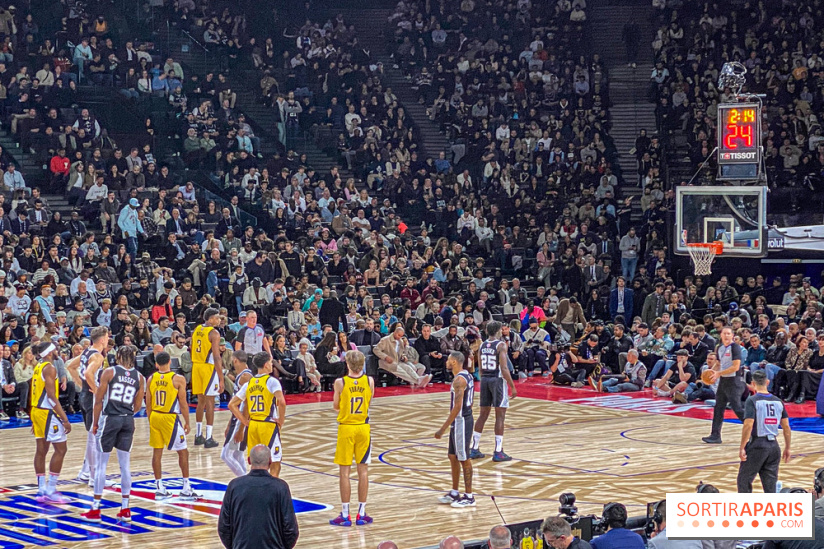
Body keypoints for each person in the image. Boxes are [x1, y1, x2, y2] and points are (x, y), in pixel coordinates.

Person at [81, 345, 145, 524]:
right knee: (125, 465)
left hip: (111, 418)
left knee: (102, 464)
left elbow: (98, 400)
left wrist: (95, 423)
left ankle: (95, 508)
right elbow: (138, 405)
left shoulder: (109, 372)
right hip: (128, 419)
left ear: (117, 357)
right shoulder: (139, 377)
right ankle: (125, 508)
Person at [218, 444, 299, 549]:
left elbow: (224, 527)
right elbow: (291, 529)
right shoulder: (280, 487)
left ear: (249, 460)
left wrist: (235, 546)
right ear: (270, 461)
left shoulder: (234, 486)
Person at [146, 351, 200, 499]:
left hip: (155, 415)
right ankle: (186, 488)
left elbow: (148, 403)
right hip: (169, 417)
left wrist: (151, 419)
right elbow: (183, 403)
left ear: (157, 364)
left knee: (157, 452)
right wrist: (187, 421)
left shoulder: (151, 378)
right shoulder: (178, 379)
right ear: (170, 361)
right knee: (183, 451)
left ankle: (159, 488)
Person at [329, 350, 374, 527]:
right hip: (363, 427)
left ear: (347, 364)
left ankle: (345, 514)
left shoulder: (340, 382)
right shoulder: (369, 380)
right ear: (363, 364)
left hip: (346, 428)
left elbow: (335, 406)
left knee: (344, 473)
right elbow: (369, 402)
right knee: (363, 471)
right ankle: (361, 513)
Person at [228, 352, 286, 477]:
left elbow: (232, 405)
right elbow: (281, 402)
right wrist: (281, 420)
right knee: (275, 462)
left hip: (253, 426)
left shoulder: (249, 383)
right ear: (266, 365)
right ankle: (271, 490)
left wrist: (245, 421)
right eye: (271, 362)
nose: (272, 365)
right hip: (268, 425)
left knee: (256, 463)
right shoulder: (272, 381)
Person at [30, 341, 72, 504]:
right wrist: (65, 419)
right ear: (49, 353)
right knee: (61, 449)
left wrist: (34, 417)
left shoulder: (38, 367)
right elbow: (51, 397)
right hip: (47, 412)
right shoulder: (50, 368)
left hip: (36, 410)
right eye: (55, 349)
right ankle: (51, 490)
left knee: (41, 449)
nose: (57, 352)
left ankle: (41, 489)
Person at [737, 369, 792, 493]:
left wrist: (742, 446)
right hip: (774, 447)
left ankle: (745, 511)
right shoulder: (778, 401)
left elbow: (748, 424)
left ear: (753, 384)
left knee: (744, 481)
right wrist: (788, 447)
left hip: (758, 445)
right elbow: (786, 428)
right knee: (770, 487)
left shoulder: (752, 400)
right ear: (767, 382)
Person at [65, 327, 107, 485]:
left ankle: (85, 472)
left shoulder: (87, 352)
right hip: (91, 398)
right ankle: (94, 477)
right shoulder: (97, 356)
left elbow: (70, 367)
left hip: (84, 395)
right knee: (95, 437)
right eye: (107, 336)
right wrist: (97, 391)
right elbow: (89, 374)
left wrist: (81, 384)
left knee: (92, 436)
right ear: (102, 339)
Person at [470, 321, 517, 462]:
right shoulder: (501, 345)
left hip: (484, 380)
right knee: (500, 416)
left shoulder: (482, 344)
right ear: (498, 331)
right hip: (497, 380)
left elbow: (480, 366)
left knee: (482, 415)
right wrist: (512, 386)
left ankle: (474, 448)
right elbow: (504, 368)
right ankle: (498, 451)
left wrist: (484, 379)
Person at [435, 350, 475, 508]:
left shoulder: (459, 380)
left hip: (462, 420)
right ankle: (454, 492)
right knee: (452, 456)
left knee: (464, 458)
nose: (446, 362)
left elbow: (458, 407)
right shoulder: (466, 375)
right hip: (460, 420)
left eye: (449, 360)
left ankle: (469, 496)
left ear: (454, 362)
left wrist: (442, 429)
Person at [703, 327, 745, 444]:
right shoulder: (720, 348)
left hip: (734, 381)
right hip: (723, 381)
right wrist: (710, 372)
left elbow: (735, 367)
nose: (726, 335)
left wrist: (718, 373)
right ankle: (715, 435)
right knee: (718, 408)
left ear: (732, 336)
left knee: (737, 408)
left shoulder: (735, 347)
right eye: (724, 333)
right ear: (721, 335)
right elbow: (719, 363)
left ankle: (756, 431)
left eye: (728, 333)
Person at [192, 307, 223, 448]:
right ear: (210, 319)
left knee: (201, 401)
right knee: (210, 401)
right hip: (207, 367)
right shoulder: (214, 333)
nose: (219, 320)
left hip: (196, 366)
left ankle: (198, 435)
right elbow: (216, 356)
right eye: (217, 317)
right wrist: (221, 378)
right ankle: (209, 437)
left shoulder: (197, 329)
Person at [222, 350, 251, 477]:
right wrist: (229, 424)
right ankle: (246, 480)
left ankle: (244, 481)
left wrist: (242, 427)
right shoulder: (242, 376)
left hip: (241, 420)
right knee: (237, 454)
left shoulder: (246, 377)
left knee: (225, 455)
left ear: (235, 360)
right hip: (237, 419)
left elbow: (249, 403)